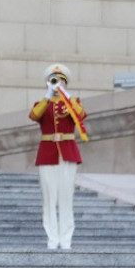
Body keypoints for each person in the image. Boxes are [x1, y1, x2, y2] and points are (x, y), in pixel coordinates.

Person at [31, 63, 88, 250]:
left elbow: (81, 115)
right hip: (48, 153)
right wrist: (48, 95)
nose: (56, 84)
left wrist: (67, 96)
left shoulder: (72, 103)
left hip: (67, 152)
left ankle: (66, 239)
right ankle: (52, 238)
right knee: (49, 198)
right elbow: (34, 115)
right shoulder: (42, 104)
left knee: (66, 198)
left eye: (61, 81)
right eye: (53, 80)